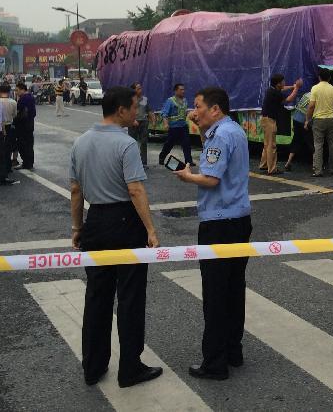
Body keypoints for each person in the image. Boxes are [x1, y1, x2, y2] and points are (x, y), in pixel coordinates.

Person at [70, 86, 163, 389]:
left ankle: (93, 367)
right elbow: (135, 189)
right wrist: (149, 228)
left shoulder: (80, 142)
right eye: (134, 107)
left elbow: (76, 191)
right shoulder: (126, 144)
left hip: (95, 221)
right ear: (121, 110)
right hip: (125, 222)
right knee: (130, 297)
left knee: (97, 295)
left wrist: (77, 228)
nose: (137, 112)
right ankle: (130, 368)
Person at [174, 86, 252, 381]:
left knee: (216, 293)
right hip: (239, 218)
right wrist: (199, 127)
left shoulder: (220, 136)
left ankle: (215, 362)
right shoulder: (233, 130)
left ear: (215, 109)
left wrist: (186, 176)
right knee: (234, 288)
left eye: (198, 106)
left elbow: (210, 178)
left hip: (219, 222)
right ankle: (233, 349)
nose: (194, 111)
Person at [258, 74, 301, 175]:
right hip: (269, 120)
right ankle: (272, 169)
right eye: (283, 81)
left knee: (267, 144)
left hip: (265, 119)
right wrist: (297, 88)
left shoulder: (271, 90)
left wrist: (292, 86)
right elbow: (289, 99)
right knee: (271, 145)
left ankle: (264, 165)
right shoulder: (276, 94)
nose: (284, 83)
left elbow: (282, 89)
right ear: (278, 84)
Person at [305, 68, 333, 177]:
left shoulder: (315, 88)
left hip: (318, 120)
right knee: (332, 144)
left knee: (318, 144)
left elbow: (311, 106)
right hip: (331, 119)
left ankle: (318, 170)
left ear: (319, 77)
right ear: (329, 77)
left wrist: (307, 120)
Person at [159, 83, 193, 167]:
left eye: (184, 89)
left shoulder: (185, 100)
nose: (183, 91)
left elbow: (185, 112)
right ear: (176, 91)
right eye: (181, 90)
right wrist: (166, 124)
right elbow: (164, 113)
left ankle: (188, 161)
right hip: (174, 127)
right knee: (169, 144)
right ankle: (162, 156)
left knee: (187, 144)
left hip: (183, 126)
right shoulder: (170, 101)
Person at [283, 91, 311, 172]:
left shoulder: (306, 94)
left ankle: (288, 162)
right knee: (312, 142)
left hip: (296, 119)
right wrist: (307, 121)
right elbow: (311, 108)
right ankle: (316, 165)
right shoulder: (316, 95)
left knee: (296, 140)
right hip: (303, 121)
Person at [128, 83, 155, 168]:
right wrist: (132, 120)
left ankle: (143, 163)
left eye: (140, 88)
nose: (140, 90)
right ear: (133, 90)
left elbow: (149, 110)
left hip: (143, 122)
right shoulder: (129, 100)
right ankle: (131, 162)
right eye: (138, 88)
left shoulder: (144, 99)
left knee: (144, 142)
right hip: (133, 123)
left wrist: (153, 120)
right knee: (132, 143)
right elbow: (127, 112)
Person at [0, 84, 19, 182]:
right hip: (9, 126)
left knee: (0, 148)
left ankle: (1, 168)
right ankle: (8, 166)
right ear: (9, 91)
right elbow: (15, 115)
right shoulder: (13, 102)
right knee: (9, 147)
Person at [15, 82, 36, 169]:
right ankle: (29, 163)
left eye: (17, 90)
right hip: (30, 124)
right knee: (29, 144)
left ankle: (26, 163)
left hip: (23, 125)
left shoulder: (24, 98)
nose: (16, 92)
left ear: (23, 89)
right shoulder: (30, 97)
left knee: (22, 144)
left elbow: (19, 111)